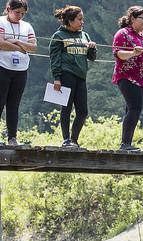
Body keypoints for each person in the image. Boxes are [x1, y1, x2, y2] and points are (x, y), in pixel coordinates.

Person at [0, 0, 36, 146]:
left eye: (23, 13)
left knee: (14, 104)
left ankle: (12, 137)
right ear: (8, 9)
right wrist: (20, 46)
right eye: (17, 12)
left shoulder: (27, 26)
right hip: (0, 66)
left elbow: (33, 47)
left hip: (20, 69)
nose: (20, 16)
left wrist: (15, 42)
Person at [49, 5, 96, 149]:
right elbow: (54, 59)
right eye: (79, 19)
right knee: (66, 108)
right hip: (66, 74)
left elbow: (91, 58)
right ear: (70, 20)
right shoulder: (59, 36)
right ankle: (66, 140)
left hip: (81, 76)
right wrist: (57, 78)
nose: (82, 22)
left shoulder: (84, 35)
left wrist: (92, 48)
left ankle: (74, 140)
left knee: (83, 111)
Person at [112, 5, 143, 152]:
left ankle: (127, 142)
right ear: (132, 18)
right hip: (127, 77)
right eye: (142, 18)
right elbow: (118, 54)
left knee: (133, 110)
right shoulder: (123, 33)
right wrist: (132, 53)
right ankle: (125, 144)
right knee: (135, 107)